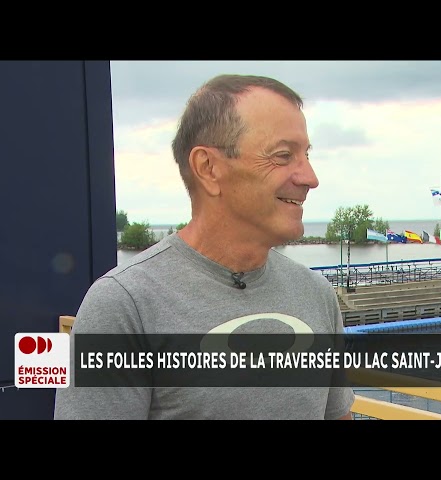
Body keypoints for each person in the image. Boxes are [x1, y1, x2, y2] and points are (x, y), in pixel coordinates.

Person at [53, 74, 355, 420]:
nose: (310, 177)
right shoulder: (124, 306)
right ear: (208, 168)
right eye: (283, 155)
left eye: (306, 154)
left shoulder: (315, 294)